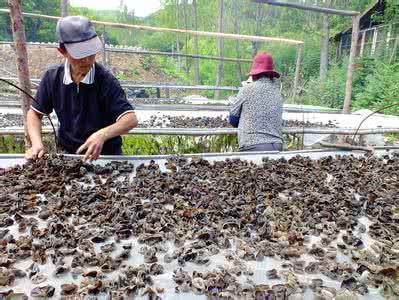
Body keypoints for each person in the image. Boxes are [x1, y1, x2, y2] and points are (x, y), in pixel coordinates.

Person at [25, 16, 138, 161]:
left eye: (90, 53)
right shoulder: (52, 77)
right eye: (79, 54)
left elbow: (130, 119)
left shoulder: (105, 80)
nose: (87, 60)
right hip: (69, 155)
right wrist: (36, 144)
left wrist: (101, 135)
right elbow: (34, 113)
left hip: (106, 156)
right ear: (62, 51)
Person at [229, 52, 283, 152]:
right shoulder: (277, 92)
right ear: (271, 74)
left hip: (253, 145)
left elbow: (233, 120)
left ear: (254, 75)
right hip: (277, 145)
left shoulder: (246, 89)